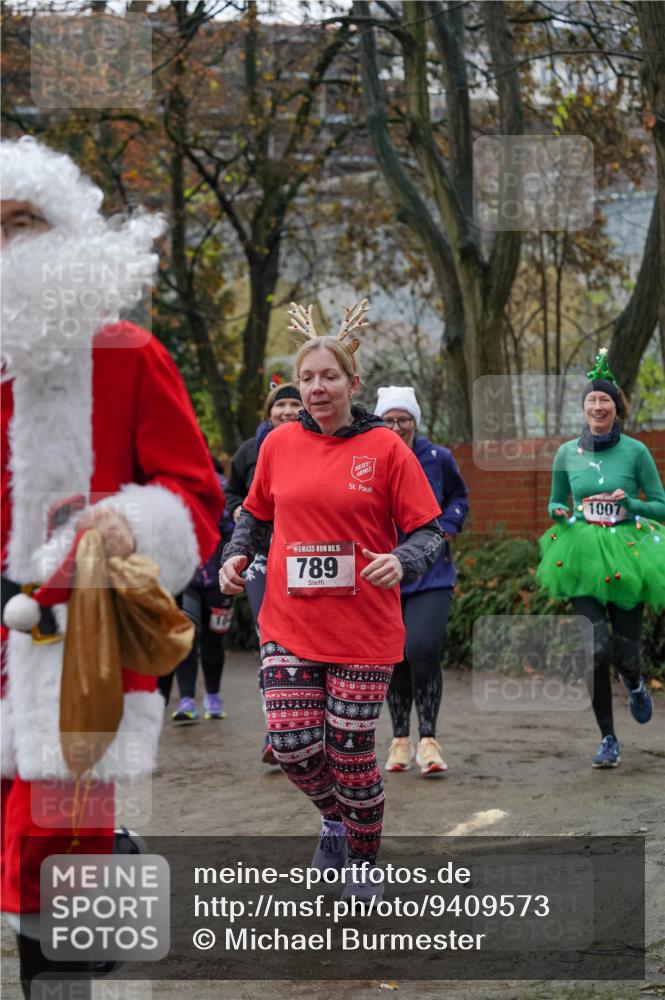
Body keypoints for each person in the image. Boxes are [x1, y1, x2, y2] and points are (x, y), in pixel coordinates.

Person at [0, 136, 223, 997]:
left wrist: (136, 524)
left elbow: (195, 496)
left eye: (26, 222)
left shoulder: (128, 353)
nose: (12, 245)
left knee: (51, 861)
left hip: (75, 639)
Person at [219, 300, 444, 902]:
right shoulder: (278, 444)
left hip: (363, 629)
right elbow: (254, 514)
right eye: (308, 378)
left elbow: (430, 528)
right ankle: (335, 821)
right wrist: (236, 555)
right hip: (290, 620)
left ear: (352, 383)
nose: (317, 388)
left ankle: (363, 858)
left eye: (329, 377)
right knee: (292, 744)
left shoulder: (386, 449)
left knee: (349, 753)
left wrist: (404, 559)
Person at [537, 348, 664, 768]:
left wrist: (632, 503)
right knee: (594, 647)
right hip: (581, 553)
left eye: (604, 399)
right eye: (591, 400)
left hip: (628, 552)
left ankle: (634, 681)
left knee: (626, 650)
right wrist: (559, 511)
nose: (597, 406)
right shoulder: (566, 454)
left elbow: (661, 505)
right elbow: (557, 503)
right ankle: (608, 738)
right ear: (584, 408)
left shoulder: (636, 451)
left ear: (616, 406)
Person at [374, 386, 469, 776]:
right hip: (383, 573)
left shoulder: (437, 458)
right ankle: (399, 740)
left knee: (423, 649)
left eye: (403, 418)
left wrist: (444, 530)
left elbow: (459, 499)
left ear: (415, 421)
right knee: (394, 656)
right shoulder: (369, 456)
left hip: (431, 574)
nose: (396, 426)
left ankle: (428, 739)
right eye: (389, 419)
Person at [225, 381, 302, 760]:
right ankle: (274, 729)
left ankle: (308, 720)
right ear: (269, 412)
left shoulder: (318, 445)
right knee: (268, 639)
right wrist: (238, 509)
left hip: (303, 556)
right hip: (260, 556)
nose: (287, 411)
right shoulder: (250, 451)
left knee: (305, 639)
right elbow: (233, 493)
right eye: (280, 404)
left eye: (294, 403)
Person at [159, 456, 235, 722]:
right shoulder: (171, 487)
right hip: (185, 578)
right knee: (187, 635)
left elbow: (232, 530)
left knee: (214, 639)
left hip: (219, 577)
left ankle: (213, 697)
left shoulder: (222, 487)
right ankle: (187, 700)